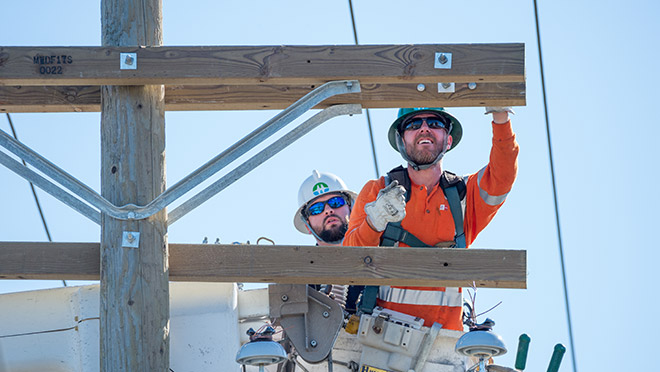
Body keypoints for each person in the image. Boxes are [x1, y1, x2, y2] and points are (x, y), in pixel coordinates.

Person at [343, 107, 519, 331]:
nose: (424, 128)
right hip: (380, 339)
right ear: (400, 140)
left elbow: (502, 176)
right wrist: (374, 222)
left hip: (443, 346)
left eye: (434, 124)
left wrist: (500, 117)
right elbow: (348, 260)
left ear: (448, 140)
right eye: (413, 125)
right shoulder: (378, 191)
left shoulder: (464, 197)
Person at [294, 170, 359, 309]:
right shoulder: (299, 279)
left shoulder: (377, 257)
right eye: (317, 209)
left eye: (336, 202)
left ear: (351, 208)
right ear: (307, 224)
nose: (328, 210)